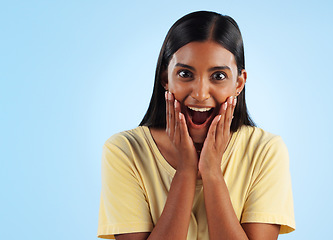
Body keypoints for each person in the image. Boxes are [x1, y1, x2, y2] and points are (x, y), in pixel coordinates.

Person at [97, 11, 295, 240]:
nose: (200, 94)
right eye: (185, 74)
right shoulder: (124, 151)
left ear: (238, 83)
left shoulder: (265, 150)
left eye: (218, 76)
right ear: (165, 79)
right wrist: (185, 171)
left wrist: (211, 172)